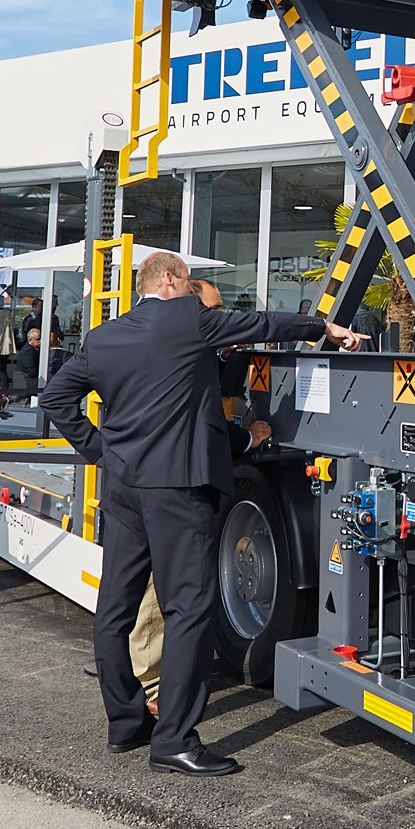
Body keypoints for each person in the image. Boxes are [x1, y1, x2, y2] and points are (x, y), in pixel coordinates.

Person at [41, 250, 361, 776]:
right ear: (169, 280)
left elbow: (55, 398)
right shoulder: (187, 320)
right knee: (189, 609)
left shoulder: (103, 337)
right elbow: (260, 322)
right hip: (178, 492)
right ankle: (174, 741)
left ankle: (125, 723)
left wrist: (101, 449)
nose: (193, 290)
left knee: (115, 609)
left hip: (124, 488)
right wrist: (321, 326)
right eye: (188, 281)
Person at [124, 279, 275, 716]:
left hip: (160, 477)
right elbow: (202, 419)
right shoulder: (179, 353)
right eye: (211, 310)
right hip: (167, 484)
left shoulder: (197, 348)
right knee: (158, 591)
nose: (217, 318)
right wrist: (246, 438)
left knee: (166, 589)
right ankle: (154, 691)